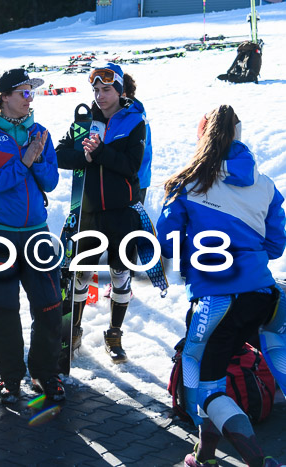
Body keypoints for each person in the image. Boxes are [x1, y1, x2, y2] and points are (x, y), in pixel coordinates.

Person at [155, 105, 286, 467]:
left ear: (202, 138)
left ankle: (257, 461)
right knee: (273, 358)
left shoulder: (188, 183)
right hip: (264, 294)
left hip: (215, 299)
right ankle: (204, 452)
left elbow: (165, 242)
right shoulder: (265, 184)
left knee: (205, 381)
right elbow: (276, 245)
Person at [0, 69, 64, 404]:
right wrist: (23, 162)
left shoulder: (40, 132)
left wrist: (34, 160)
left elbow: (51, 182)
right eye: (23, 92)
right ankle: (10, 378)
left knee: (50, 307)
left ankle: (45, 373)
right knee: (5, 310)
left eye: (31, 92)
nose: (30, 98)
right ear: (4, 97)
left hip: (36, 233)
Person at [55, 63, 145, 363]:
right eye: (96, 89)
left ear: (119, 90)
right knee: (81, 273)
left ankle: (114, 332)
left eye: (106, 89)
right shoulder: (83, 121)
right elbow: (58, 155)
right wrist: (86, 154)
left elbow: (132, 166)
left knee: (121, 274)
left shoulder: (134, 122)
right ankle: (75, 329)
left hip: (121, 212)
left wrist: (102, 153)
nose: (100, 95)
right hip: (89, 213)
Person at [123, 73, 152, 203]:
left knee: (132, 219)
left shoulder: (134, 116)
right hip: (138, 178)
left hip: (136, 180)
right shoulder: (130, 112)